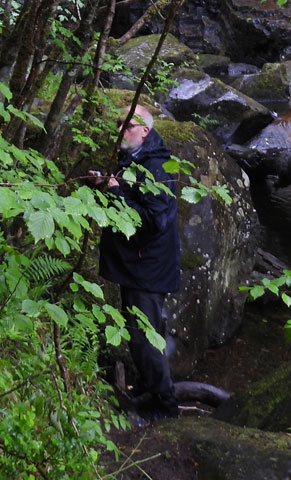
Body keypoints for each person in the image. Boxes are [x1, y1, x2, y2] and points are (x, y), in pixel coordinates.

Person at [97, 104, 181, 420]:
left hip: (148, 269)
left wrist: (116, 193)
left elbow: (153, 221)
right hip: (137, 266)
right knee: (140, 333)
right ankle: (150, 391)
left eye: (127, 125)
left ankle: (165, 405)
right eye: (118, 122)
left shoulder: (158, 167)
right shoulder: (134, 158)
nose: (120, 129)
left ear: (144, 131)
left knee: (146, 339)